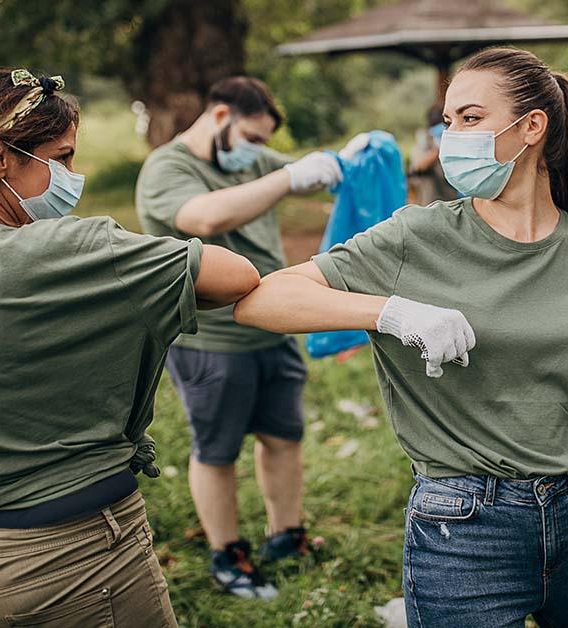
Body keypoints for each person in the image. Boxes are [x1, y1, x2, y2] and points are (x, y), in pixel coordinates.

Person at [233, 47, 568, 628]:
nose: (452, 135)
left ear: (532, 127)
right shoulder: (416, 236)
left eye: (471, 119)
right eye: (449, 121)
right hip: (462, 532)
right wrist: (393, 312)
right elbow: (262, 300)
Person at [0, 68, 264, 627]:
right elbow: (235, 275)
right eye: (63, 157)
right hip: (82, 560)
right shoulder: (71, 251)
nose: (74, 176)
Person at [134, 76, 365, 599]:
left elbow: (296, 169)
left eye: (265, 145)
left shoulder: (254, 159)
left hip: (274, 327)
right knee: (217, 450)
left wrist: (341, 160)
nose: (259, 154)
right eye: (253, 139)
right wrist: (288, 176)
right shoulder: (168, 168)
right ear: (220, 117)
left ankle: (287, 536)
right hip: (209, 339)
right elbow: (205, 216)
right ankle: (228, 553)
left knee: (284, 437)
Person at [408, 103, 459, 204]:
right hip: (430, 201)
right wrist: (439, 151)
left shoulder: (456, 143)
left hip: (453, 199)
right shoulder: (425, 143)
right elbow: (417, 166)